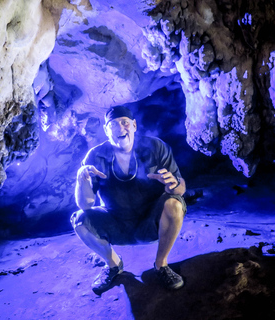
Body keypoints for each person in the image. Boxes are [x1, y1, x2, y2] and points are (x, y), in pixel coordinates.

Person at [70, 106, 187, 294]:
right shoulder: (94, 156)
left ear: (134, 125)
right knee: (80, 219)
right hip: (116, 221)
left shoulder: (155, 147)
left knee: (174, 203)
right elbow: (85, 205)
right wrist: (81, 181)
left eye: (125, 123)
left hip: (151, 220)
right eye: (113, 125)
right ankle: (113, 265)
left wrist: (173, 184)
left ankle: (161, 265)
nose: (120, 128)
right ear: (106, 131)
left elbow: (181, 188)